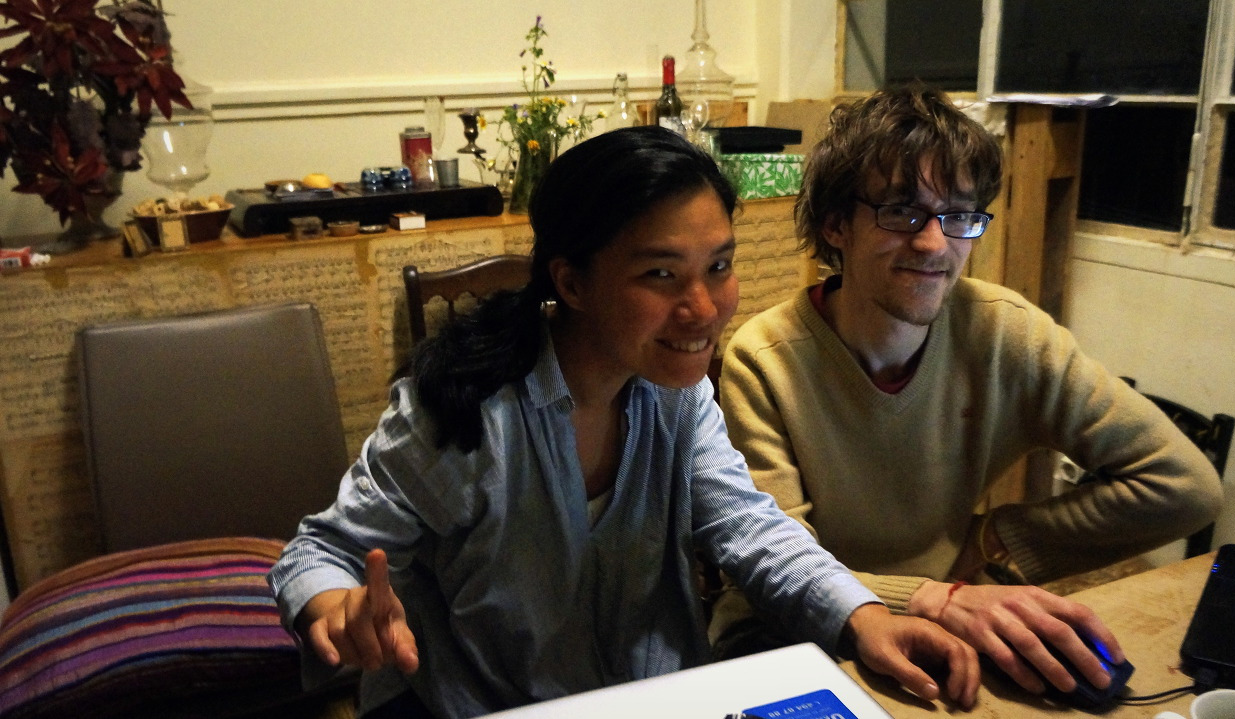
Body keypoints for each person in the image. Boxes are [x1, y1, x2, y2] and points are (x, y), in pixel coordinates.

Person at [268, 125, 983, 719]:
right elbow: (316, 553)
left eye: (719, 266)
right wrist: (335, 606)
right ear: (572, 281)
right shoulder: (463, 411)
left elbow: (749, 526)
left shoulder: (677, 393)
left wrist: (864, 616)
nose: (703, 308)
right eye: (661, 275)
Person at [710, 85, 1223, 699]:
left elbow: (1185, 486)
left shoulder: (1007, 333)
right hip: (789, 631)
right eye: (901, 212)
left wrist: (999, 541)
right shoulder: (765, 360)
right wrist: (927, 598)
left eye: (958, 215)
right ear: (836, 225)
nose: (934, 244)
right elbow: (776, 566)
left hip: (948, 617)